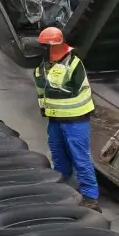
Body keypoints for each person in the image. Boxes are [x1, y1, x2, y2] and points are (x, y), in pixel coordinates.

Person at [34, 26, 99, 209]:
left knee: (80, 157)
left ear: (53, 46)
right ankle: (62, 188)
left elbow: (71, 89)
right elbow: (41, 90)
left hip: (75, 120)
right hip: (54, 119)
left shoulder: (74, 64)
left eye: (44, 46)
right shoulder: (43, 66)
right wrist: (44, 108)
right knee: (58, 154)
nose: (41, 49)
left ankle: (90, 197)